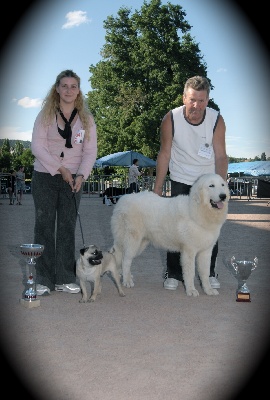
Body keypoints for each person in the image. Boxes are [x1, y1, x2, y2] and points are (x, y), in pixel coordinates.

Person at [153, 75, 228, 290]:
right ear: (184, 97)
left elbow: (221, 156)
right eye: (193, 99)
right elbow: (165, 153)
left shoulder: (216, 120)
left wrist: (220, 186)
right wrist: (157, 189)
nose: (197, 105)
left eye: (202, 100)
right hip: (181, 177)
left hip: (207, 181)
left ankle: (210, 272)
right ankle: (173, 273)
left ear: (208, 100)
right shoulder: (171, 118)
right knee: (176, 226)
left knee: (210, 225)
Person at [31, 69, 97, 295]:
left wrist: (80, 176)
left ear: (78, 91)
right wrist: (61, 169)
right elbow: (37, 147)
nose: (69, 90)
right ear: (57, 89)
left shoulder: (86, 119)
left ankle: (65, 277)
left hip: (73, 181)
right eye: (64, 86)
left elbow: (90, 152)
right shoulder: (46, 115)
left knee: (67, 228)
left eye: (73, 86)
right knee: (44, 228)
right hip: (45, 177)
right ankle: (43, 279)